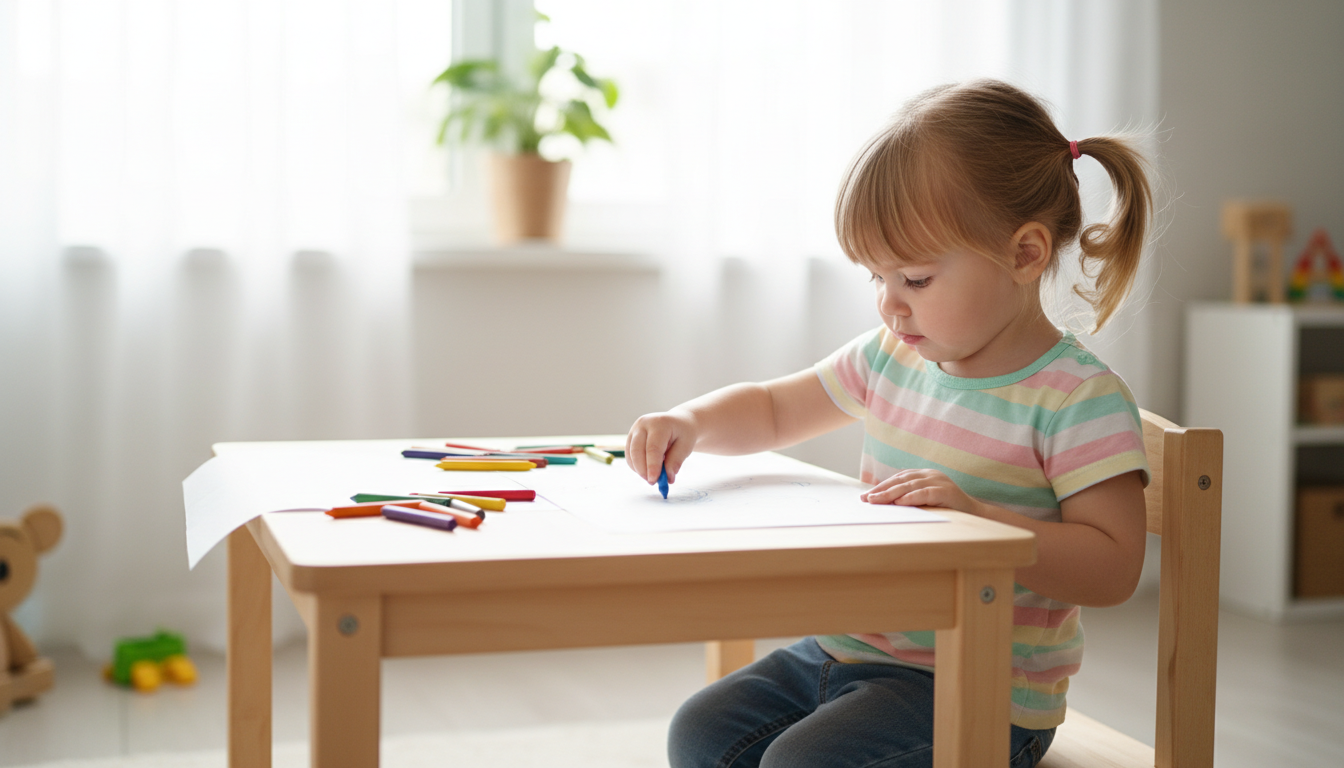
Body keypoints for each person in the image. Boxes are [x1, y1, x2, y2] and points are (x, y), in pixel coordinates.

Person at [624, 79, 1154, 768]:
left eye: (915, 279)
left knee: (800, 764)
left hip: (980, 687)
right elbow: (775, 408)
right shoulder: (891, 356)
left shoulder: (1076, 398)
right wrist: (690, 422)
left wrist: (981, 520)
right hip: (846, 649)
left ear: (1025, 254)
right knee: (698, 732)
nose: (889, 306)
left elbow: (1114, 569)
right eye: (876, 278)